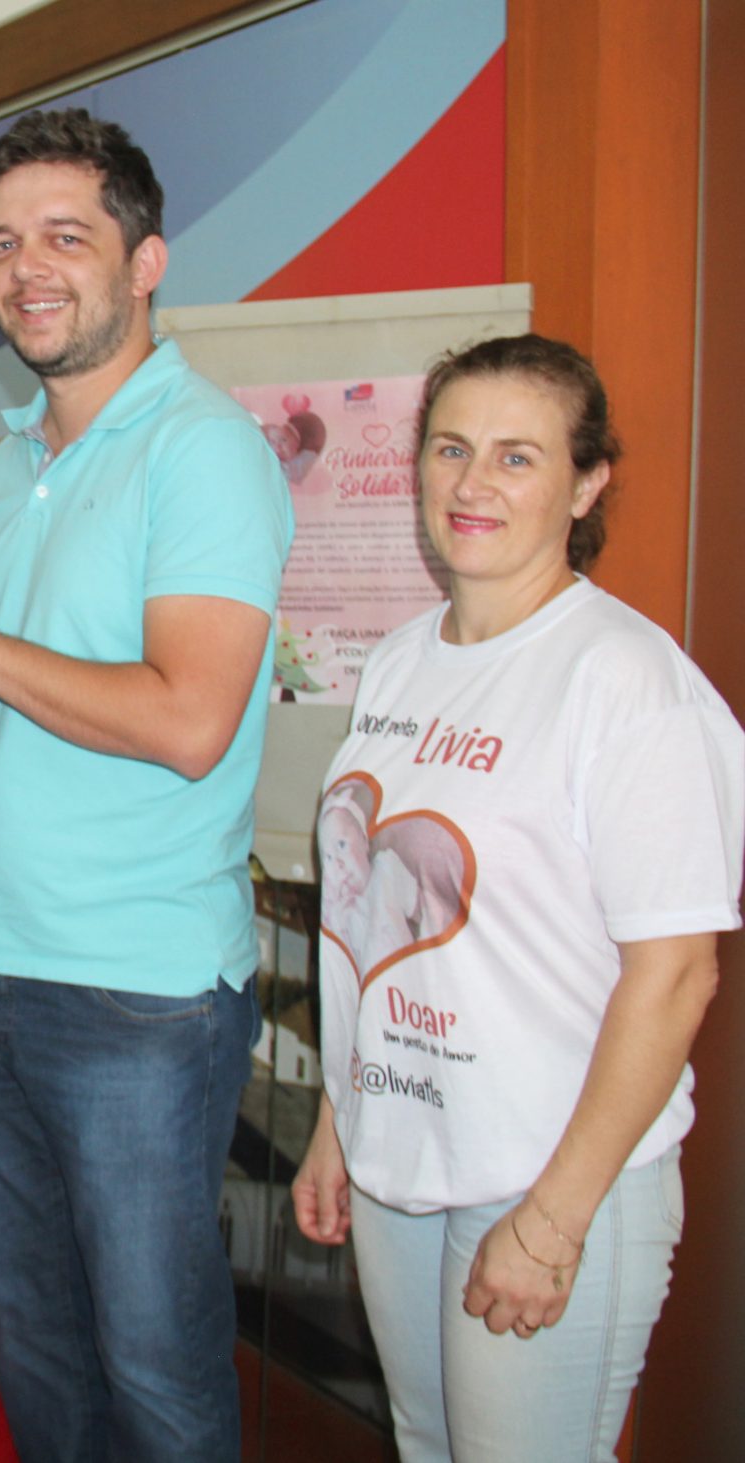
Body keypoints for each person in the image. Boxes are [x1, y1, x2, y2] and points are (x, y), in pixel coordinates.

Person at [0, 108, 291, 1460]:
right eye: (1, 243)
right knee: (26, 1328)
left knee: (154, 1364)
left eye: (64, 236)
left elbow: (189, 718)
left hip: (131, 992)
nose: (25, 268)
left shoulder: (204, 449)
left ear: (145, 261)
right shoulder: (6, 466)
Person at [292, 335, 742, 1461]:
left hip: (546, 1174)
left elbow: (676, 974)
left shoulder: (626, 681)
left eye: (515, 456)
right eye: (450, 448)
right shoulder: (400, 660)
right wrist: (339, 1122)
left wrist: (551, 1219)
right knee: (425, 1444)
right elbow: (370, 915)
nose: (471, 483)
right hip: (402, 1151)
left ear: (585, 486)